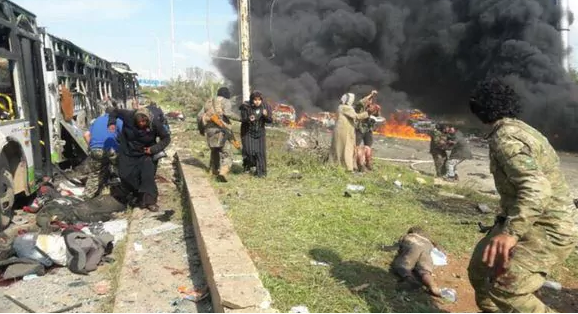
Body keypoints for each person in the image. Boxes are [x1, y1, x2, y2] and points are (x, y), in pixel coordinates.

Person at [467, 78, 578, 313]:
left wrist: (510, 233)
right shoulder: (519, 130)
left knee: (505, 289)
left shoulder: (506, 138)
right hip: (527, 218)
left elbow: (537, 188)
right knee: (480, 269)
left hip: (550, 227)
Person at [107, 107, 170, 212]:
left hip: (145, 153)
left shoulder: (155, 123)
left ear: (148, 120)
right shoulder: (128, 115)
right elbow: (114, 111)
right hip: (128, 151)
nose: (141, 123)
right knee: (125, 175)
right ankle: (136, 196)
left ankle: (150, 202)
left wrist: (154, 149)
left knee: (147, 176)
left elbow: (166, 138)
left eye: (144, 121)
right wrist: (112, 123)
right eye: (139, 121)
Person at [200, 87, 240, 182]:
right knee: (227, 153)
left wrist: (202, 130)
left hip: (210, 131)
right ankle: (223, 173)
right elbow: (228, 113)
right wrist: (241, 118)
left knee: (214, 151)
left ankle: (214, 171)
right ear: (227, 94)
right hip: (221, 131)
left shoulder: (209, 102)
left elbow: (199, 116)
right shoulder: (225, 101)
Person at [83, 106, 123, 199]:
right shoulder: (117, 120)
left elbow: (86, 134)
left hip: (95, 149)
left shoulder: (97, 120)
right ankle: (123, 192)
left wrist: (93, 147)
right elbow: (124, 135)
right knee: (120, 169)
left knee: (95, 174)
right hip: (111, 149)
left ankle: (87, 198)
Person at [391, 227, 442, 297]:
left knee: (402, 265)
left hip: (413, 247)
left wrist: (385, 247)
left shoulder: (409, 236)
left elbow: (396, 246)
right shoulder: (428, 242)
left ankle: (409, 279)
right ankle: (434, 287)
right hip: (426, 251)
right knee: (425, 272)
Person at [330, 93, 369, 172]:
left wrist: (369, 96)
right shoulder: (346, 108)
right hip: (344, 132)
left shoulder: (341, 107)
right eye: (352, 99)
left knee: (338, 148)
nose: (352, 101)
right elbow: (357, 117)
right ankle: (347, 168)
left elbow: (359, 103)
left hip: (341, 131)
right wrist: (368, 113)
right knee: (347, 149)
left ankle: (335, 165)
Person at [239, 91, 273, 177]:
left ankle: (261, 173)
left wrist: (266, 115)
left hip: (260, 132)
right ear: (252, 100)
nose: (257, 101)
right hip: (248, 132)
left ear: (261, 100)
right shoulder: (246, 107)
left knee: (260, 153)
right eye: (255, 100)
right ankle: (249, 165)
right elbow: (242, 119)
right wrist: (248, 119)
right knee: (249, 151)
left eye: (259, 100)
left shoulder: (266, 107)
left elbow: (270, 121)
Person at [354, 90, 381, 172]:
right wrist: (371, 95)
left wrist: (377, 110)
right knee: (356, 147)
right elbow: (360, 103)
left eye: (371, 100)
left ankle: (368, 163)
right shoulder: (359, 107)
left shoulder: (371, 106)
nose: (370, 101)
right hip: (359, 129)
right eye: (369, 100)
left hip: (368, 129)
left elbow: (377, 115)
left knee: (368, 147)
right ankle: (356, 164)